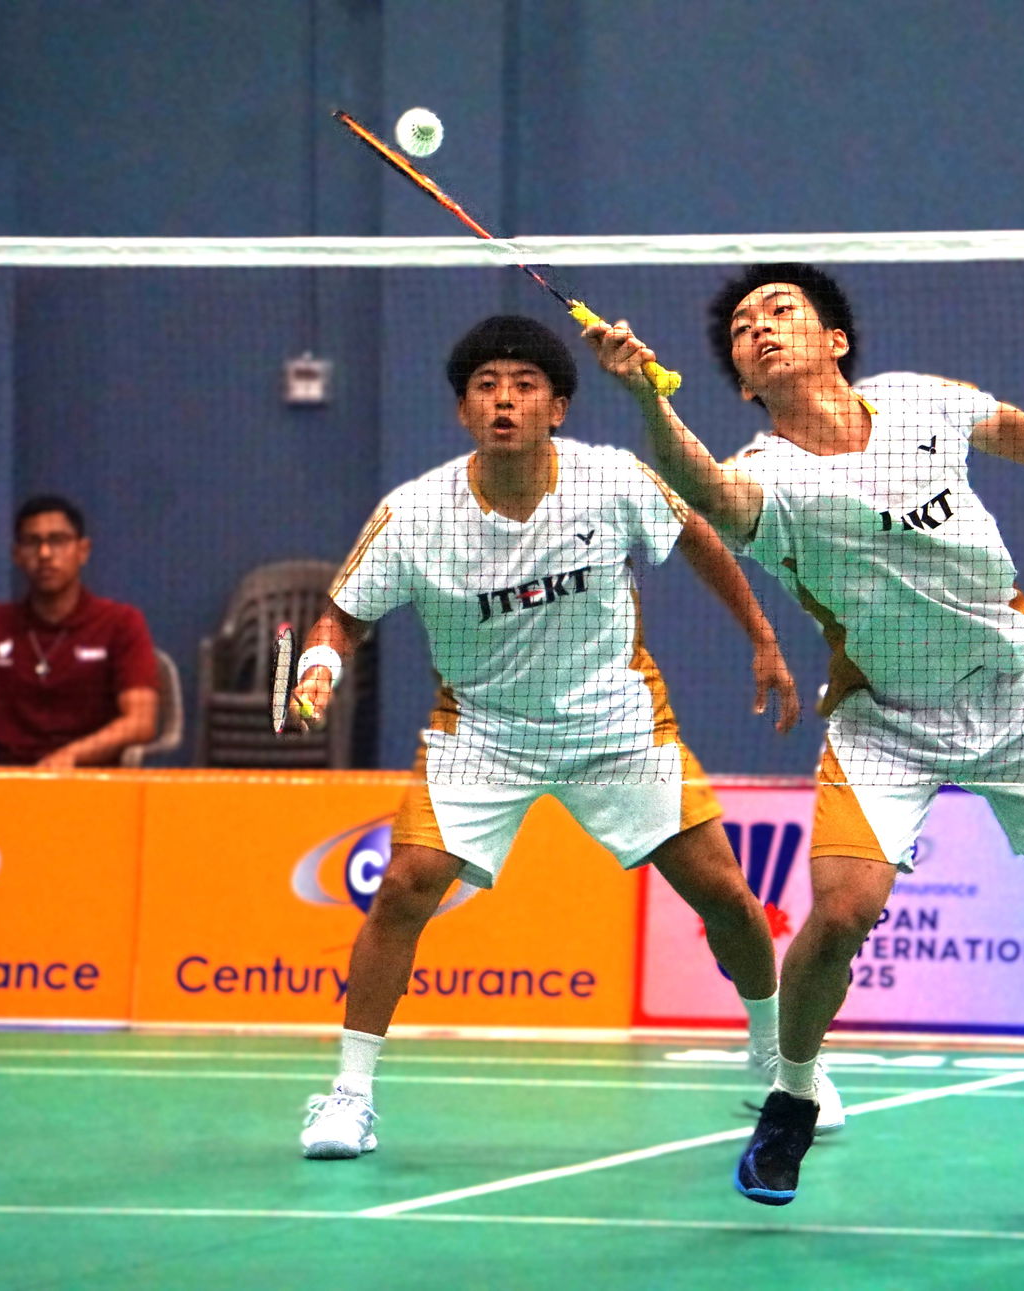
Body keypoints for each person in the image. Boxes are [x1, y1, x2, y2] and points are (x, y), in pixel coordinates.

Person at [584, 265, 1024, 1206]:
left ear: (834, 340)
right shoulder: (765, 477)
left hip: (1020, 694)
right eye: (745, 327)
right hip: (888, 719)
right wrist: (642, 397)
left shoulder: (918, 401)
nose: (760, 325)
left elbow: (1004, 426)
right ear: (746, 385)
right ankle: (791, 1096)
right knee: (840, 913)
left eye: (781, 309)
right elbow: (704, 494)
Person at [294, 315, 840, 1160]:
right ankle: (347, 1096)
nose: (504, 399)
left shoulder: (612, 479)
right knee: (405, 884)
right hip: (481, 730)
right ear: (463, 413)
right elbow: (343, 614)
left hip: (615, 723)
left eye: (523, 385)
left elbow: (697, 530)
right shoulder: (414, 513)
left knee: (727, 895)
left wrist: (764, 638)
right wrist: (320, 664)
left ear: (558, 407)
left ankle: (779, 1061)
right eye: (485, 386)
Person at [0, 495, 158, 767]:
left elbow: (141, 721)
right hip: (9, 781)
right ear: (17, 555)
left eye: (58, 541)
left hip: (90, 780)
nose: (45, 554)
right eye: (32, 542)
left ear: (83, 551)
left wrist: (71, 755)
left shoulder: (121, 622)